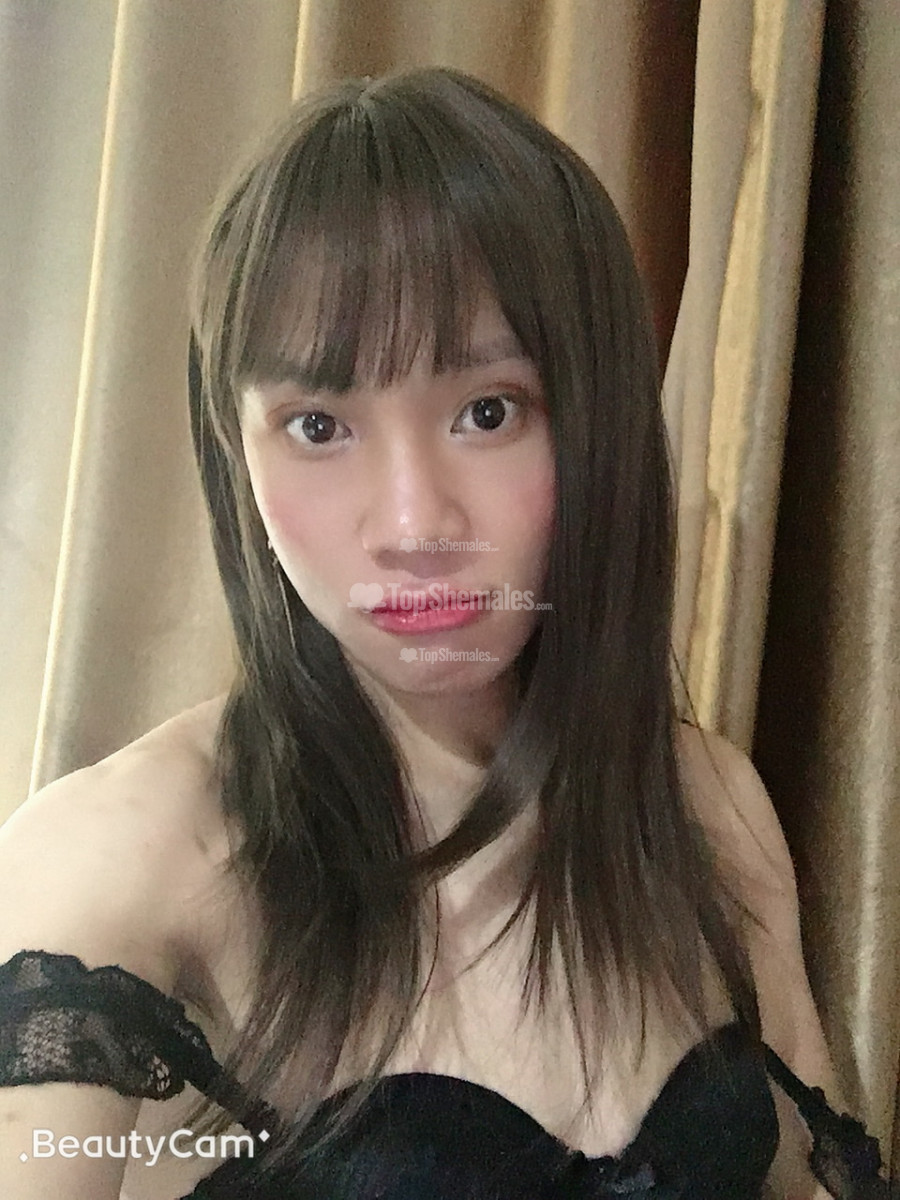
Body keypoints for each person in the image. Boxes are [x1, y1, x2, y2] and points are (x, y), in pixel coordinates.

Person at [0, 66, 891, 1200]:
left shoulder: (707, 810)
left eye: (487, 412)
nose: (417, 527)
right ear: (238, 455)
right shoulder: (118, 861)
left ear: (598, 423)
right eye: (317, 426)